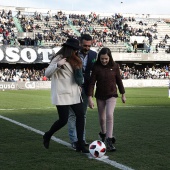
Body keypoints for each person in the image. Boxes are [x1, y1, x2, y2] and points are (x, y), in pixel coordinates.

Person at [43, 38, 89, 153]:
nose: (76, 51)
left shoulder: (76, 60)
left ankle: (81, 144)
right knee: (63, 120)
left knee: (80, 115)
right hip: (62, 94)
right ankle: (48, 135)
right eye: (74, 49)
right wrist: (58, 65)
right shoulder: (58, 58)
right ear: (69, 49)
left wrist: (79, 83)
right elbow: (47, 74)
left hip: (74, 93)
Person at [87, 47, 126, 152]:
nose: (104, 61)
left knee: (109, 115)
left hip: (112, 95)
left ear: (110, 58)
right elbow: (91, 83)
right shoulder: (96, 67)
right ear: (99, 58)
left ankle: (109, 140)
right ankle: (103, 134)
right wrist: (90, 97)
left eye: (106, 59)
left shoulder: (115, 66)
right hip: (100, 96)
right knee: (102, 118)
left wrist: (123, 93)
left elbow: (119, 80)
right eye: (102, 59)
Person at [68, 34, 97, 149]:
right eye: (85, 45)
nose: (87, 48)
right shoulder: (72, 54)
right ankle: (74, 140)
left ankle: (82, 139)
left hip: (86, 88)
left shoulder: (94, 55)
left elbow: (94, 73)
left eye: (89, 46)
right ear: (80, 43)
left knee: (83, 115)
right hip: (72, 87)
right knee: (72, 115)